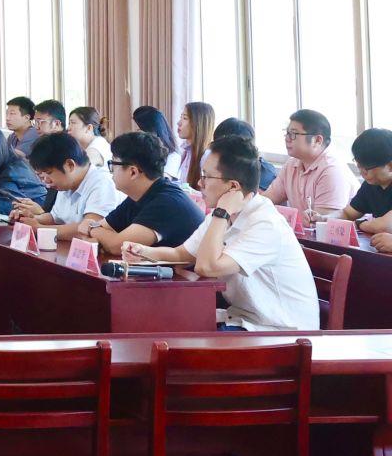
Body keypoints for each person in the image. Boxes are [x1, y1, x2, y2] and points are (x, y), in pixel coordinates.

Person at [127, 136, 319, 331]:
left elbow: (206, 267)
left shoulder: (265, 223)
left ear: (233, 187)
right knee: (164, 324)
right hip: (244, 319)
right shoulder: (223, 214)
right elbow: (182, 254)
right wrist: (143, 252)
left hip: (282, 331)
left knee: (185, 341)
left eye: (207, 176)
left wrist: (222, 212)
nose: (199, 183)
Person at [80, 131, 206, 257]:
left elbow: (118, 246)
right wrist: (97, 234)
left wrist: (91, 227)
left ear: (133, 172)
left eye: (113, 164)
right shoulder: (139, 195)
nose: (110, 171)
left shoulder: (166, 202)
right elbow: (102, 230)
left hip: (190, 270)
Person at [11, 130, 118, 239]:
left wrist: (38, 228)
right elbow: (55, 218)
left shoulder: (101, 182)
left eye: (49, 173)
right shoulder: (66, 183)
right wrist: (31, 219)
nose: (46, 181)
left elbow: (89, 228)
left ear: (70, 165)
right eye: (42, 175)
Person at [266, 108, 356, 217]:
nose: (287, 139)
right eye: (287, 133)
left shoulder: (332, 170)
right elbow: (267, 200)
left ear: (317, 140)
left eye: (293, 134)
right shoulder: (291, 164)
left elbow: (322, 223)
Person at [345, 130, 392, 251]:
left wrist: (359, 224)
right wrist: (323, 218)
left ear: (390, 166)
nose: (362, 172)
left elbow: (383, 226)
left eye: (367, 168)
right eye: (359, 165)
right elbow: (348, 214)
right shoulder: (371, 184)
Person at [175, 102, 217, 185]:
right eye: (181, 117)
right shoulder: (185, 153)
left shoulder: (207, 156)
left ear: (198, 123)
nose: (179, 123)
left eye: (185, 118)